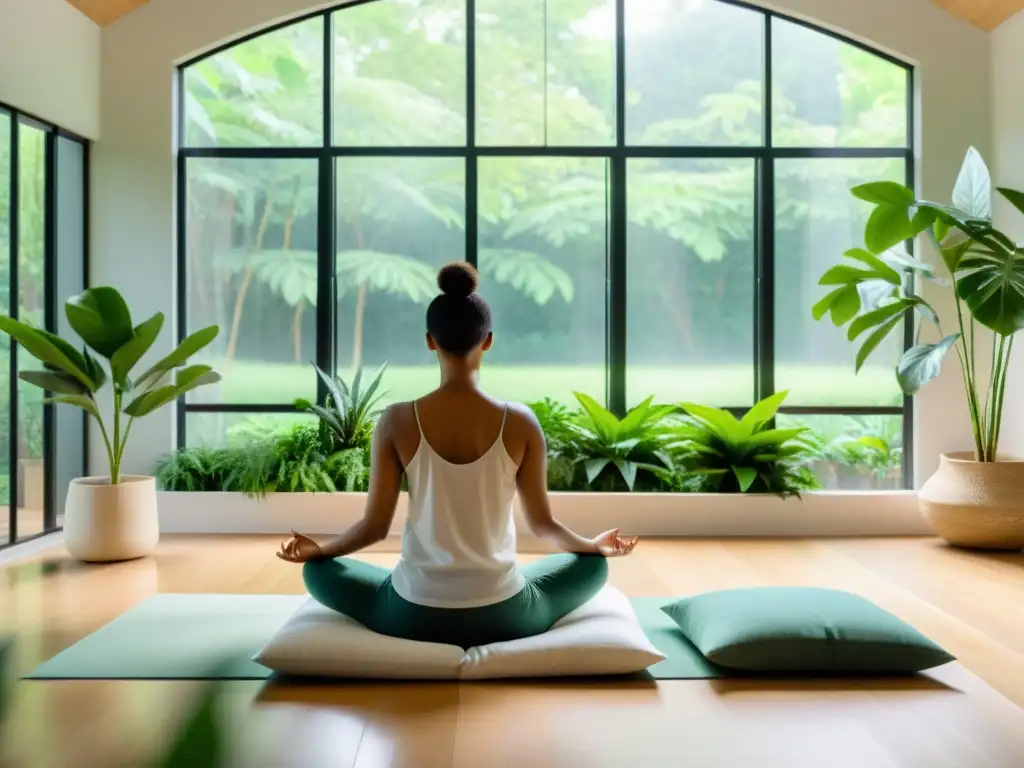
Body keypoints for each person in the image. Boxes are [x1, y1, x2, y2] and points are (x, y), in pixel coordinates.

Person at [276, 262, 638, 649]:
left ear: (430, 341)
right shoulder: (521, 422)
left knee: (317, 573)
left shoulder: (396, 420)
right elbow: (544, 525)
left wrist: (321, 551)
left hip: (412, 613)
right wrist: (592, 544)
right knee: (592, 566)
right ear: (488, 341)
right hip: (505, 612)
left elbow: (374, 528)